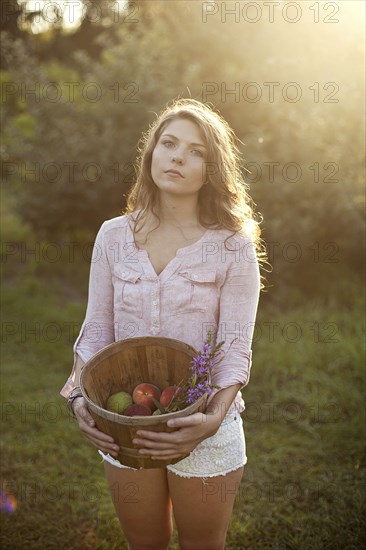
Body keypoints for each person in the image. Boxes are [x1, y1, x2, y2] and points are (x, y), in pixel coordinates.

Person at [60, 98, 266, 550]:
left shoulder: (233, 247)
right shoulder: (113, 236)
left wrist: (212, 418)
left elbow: (234, 347)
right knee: (145, 543)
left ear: (212, 169)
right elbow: (96, 329)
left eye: (196, 151)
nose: (177, 156)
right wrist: (78, 397)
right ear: (150, 153)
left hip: (203, 425)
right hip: (124, 422)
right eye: (168, 143)